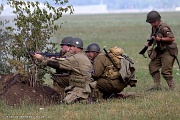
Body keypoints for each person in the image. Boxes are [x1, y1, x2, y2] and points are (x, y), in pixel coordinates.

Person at [33, 38, 93, 104]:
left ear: (76, 48)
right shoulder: (82, 55)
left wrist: (41, 58)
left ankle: (84, 100)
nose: (69, 48)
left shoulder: (76, 58)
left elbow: (59, 64)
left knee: (65, 103)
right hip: (83, 86)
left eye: (71, 46)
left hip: (80, 89)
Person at [145, 10, 178, 91]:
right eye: (150, 23)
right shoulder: (154, 28)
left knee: (165, 71)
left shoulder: (163, 27)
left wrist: (160, 39)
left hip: (168, 51)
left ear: (158, 20)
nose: (152, 24)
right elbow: (154, 37)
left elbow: (171, 38)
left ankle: (173, 88)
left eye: (153, 22)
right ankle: (157, 86)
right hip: (160, 50)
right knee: (152, 67)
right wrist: (149, 42)